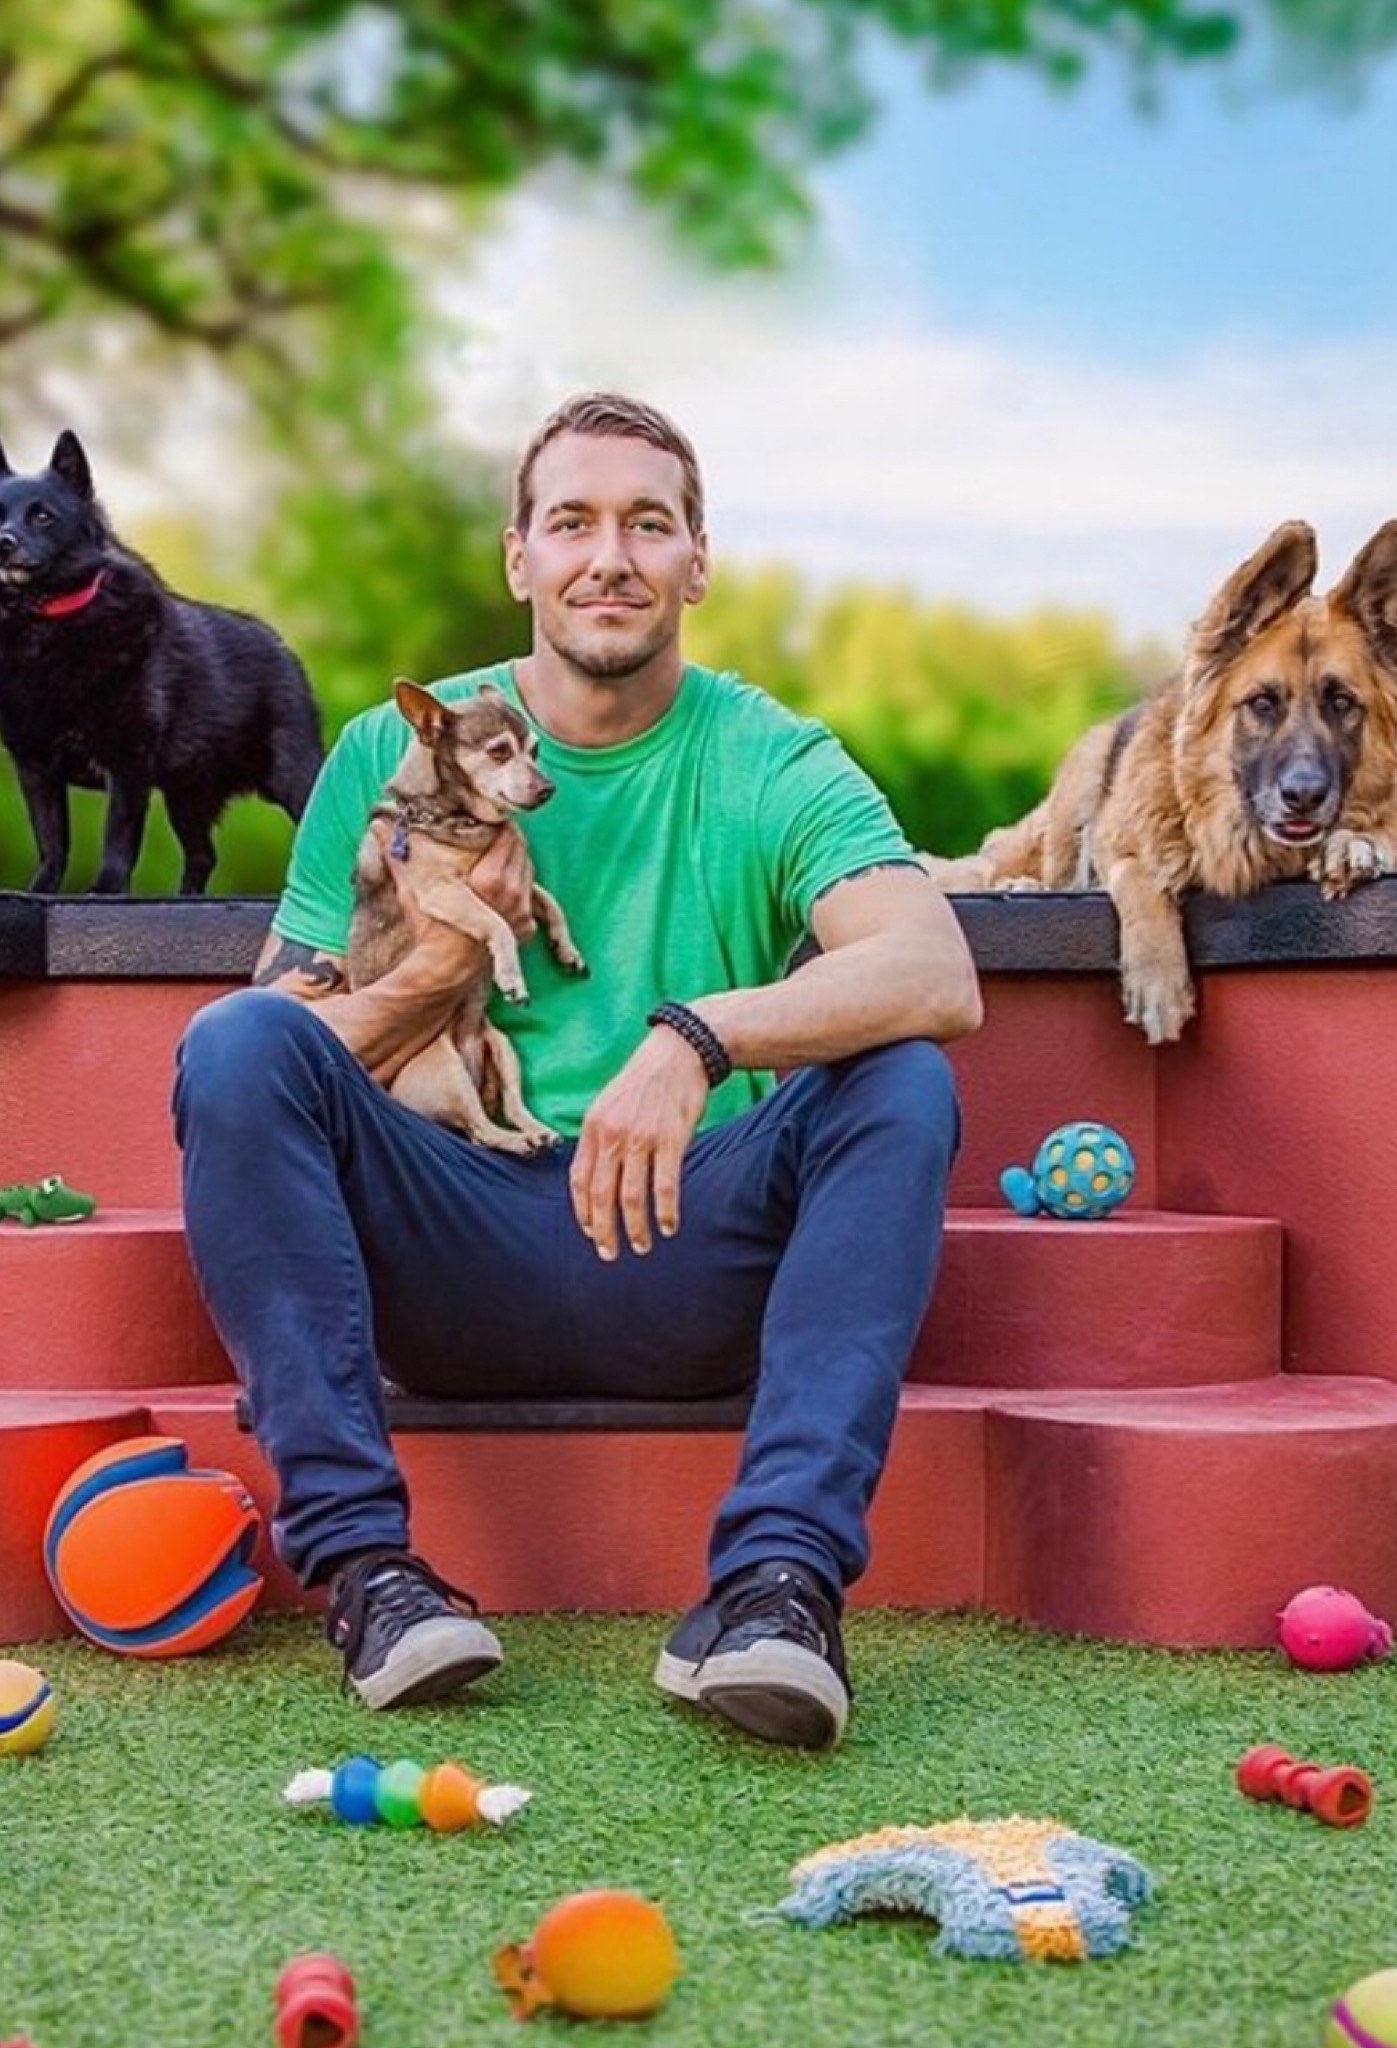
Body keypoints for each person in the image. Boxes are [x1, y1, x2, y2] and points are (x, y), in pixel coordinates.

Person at [174, 392, 982, 1750]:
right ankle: (371, 1576)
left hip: (688, 1244)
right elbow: (274, 1060)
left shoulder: (769, 755)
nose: (609, 556)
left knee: (900, 1077)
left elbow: (933, 972)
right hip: (449, 1245)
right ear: (521, 559)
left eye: (647, 524)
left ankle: (778, 1590)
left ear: (697, 563)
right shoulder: (391, 753)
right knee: (235, 1043)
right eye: (574, 523)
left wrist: (698, 1034)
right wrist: (436, 973)